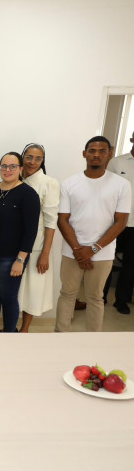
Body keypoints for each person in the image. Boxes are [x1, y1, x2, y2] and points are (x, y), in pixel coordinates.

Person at [55, 136, 131, 332]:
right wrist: (79, 250)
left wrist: (94, 248)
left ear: (109, 154)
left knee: (96, 297)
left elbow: (121, 221)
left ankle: (93, 342)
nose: (96, 155)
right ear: (84, 154)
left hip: (103, 253)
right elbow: (62, 219)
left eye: (102, 151)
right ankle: (60, 336)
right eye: (92, 151)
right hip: (72, 251)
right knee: (67, 294)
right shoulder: (70, 183)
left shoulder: (121, 184)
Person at [0, 152, 40, 333]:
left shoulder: (28, 194)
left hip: (12, 257)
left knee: (8, 297)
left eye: (12, 166)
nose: (7, 170)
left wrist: (21, 259)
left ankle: (9, 336)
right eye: (4, 166)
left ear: (21, 169)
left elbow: (31, 231)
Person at [18, 143, 60, 332]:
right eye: (29, 157)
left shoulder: (48, 183)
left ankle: (25, 329)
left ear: (43, 161)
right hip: (14, 245)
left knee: (33, 292)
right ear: (22, 157)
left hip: (37, 248)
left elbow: (51, 221)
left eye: (38, 158)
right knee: (15, 291)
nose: (33, 162)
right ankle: (11, 326)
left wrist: (45, 253)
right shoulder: (15, 178)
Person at [107, 131, 134, 314]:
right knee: (107, 259)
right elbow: (105, 189)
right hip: (115, 221)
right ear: (132, 139)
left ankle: (121, 300)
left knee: (131, 264)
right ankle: (100, 296)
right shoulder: (117, 162)